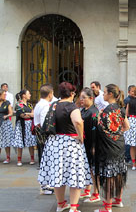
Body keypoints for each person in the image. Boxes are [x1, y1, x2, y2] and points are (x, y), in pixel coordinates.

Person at [38, 82, 92, 212]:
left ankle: (60, 204)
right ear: (72, 93)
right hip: (69, 143)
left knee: (58, 174)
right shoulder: (71, 106)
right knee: (75, 174)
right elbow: (78, 121)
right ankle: (73, 207)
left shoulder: (53, 105)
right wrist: (80, 136)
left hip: (54, 143)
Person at [94, 84, 129, 212]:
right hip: (119, 144)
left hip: (107, 146)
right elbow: (127, 126)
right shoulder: (121, 109)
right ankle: (118, 200)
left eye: (104, 92)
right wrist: (117, 134)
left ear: (110, 94)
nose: (103, 94)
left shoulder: (104, 111)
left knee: (108, 175)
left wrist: (109, 134)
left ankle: (107, 206)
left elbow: (99, 129)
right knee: (119, 172)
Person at [79, 88, 101, 203]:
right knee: (88, 167)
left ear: (91, 98)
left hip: (92, 144)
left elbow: (95, 131)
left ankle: (96, 192)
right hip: (84, 143)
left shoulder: (93, 112)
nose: (81, 99)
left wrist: (93, 146)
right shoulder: (83, 110)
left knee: (93, 169)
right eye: (80, 97)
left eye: (84, 97)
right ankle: (87, 189)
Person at [33, 84, 54, 195]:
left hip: (40, 135)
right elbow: (44, 122)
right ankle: (46, 185)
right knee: (46, 161)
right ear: (50, 94)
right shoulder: (45, 105)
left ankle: (46, 184)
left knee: (44, 160)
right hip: (44, 136)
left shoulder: (39, 104)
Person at [12, 89, 36, 166]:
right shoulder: (18, 105)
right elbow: (22, 116)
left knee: (31, 141)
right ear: (23, 95)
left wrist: (27, 113)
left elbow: (33, 114)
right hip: (21, 125)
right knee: (20, 142)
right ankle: (19, 159)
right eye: (28, 94)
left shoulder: (30, 104)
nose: (30, 95)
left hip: (29, 124)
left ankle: (32, 159)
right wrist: (29, 114)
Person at [0, 89, 14, 164]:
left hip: (5, 123)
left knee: (6, 140)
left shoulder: (7, 103)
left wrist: (7, 116)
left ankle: (8, 157)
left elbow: (11, 113)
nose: (5, 95)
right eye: (4, 94)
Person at [123, 85, 135, 164]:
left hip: (132, 121)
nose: (134, 93)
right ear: (129, 92)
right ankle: (128, 156)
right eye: (132, 91)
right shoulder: (127, 100)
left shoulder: (134, 99)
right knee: (129, 140)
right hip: (129, 120)